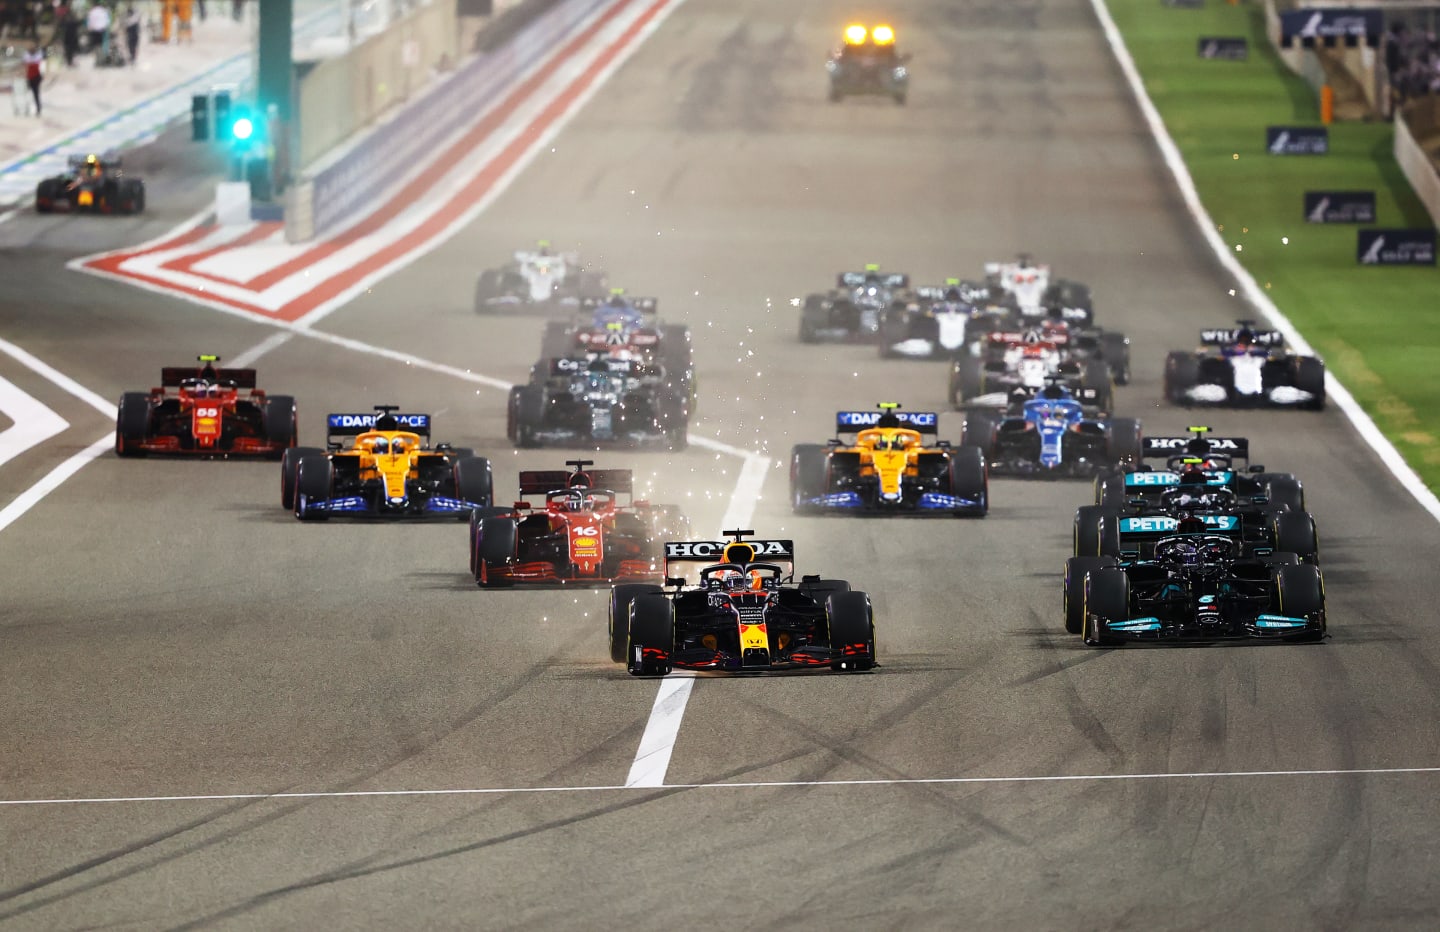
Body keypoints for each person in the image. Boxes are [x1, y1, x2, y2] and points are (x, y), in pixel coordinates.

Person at [21, 41, 42, 116]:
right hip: (30, 77)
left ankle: (38, 108)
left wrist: (29, 63)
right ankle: (27, 108)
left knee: (36, 93)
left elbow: (36, 63)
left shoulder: (37, 55)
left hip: (36, 77)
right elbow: (24, 63)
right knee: (27, 93)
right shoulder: (27, 55)